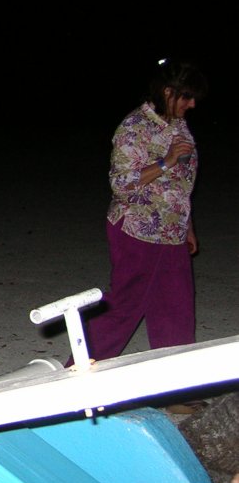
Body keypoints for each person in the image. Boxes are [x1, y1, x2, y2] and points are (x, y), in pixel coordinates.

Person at [81, 59, 208, 387]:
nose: (192, 103)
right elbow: (121, 183)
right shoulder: (135, 126)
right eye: (187, 96)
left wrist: (187, 224)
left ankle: (175, 390)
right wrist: (164, 162)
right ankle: (77, 373)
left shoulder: (179, 126)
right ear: (168, 92)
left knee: (176, 311)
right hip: (136, 229)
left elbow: (182, 182)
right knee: (124, 306)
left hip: (171, 230)